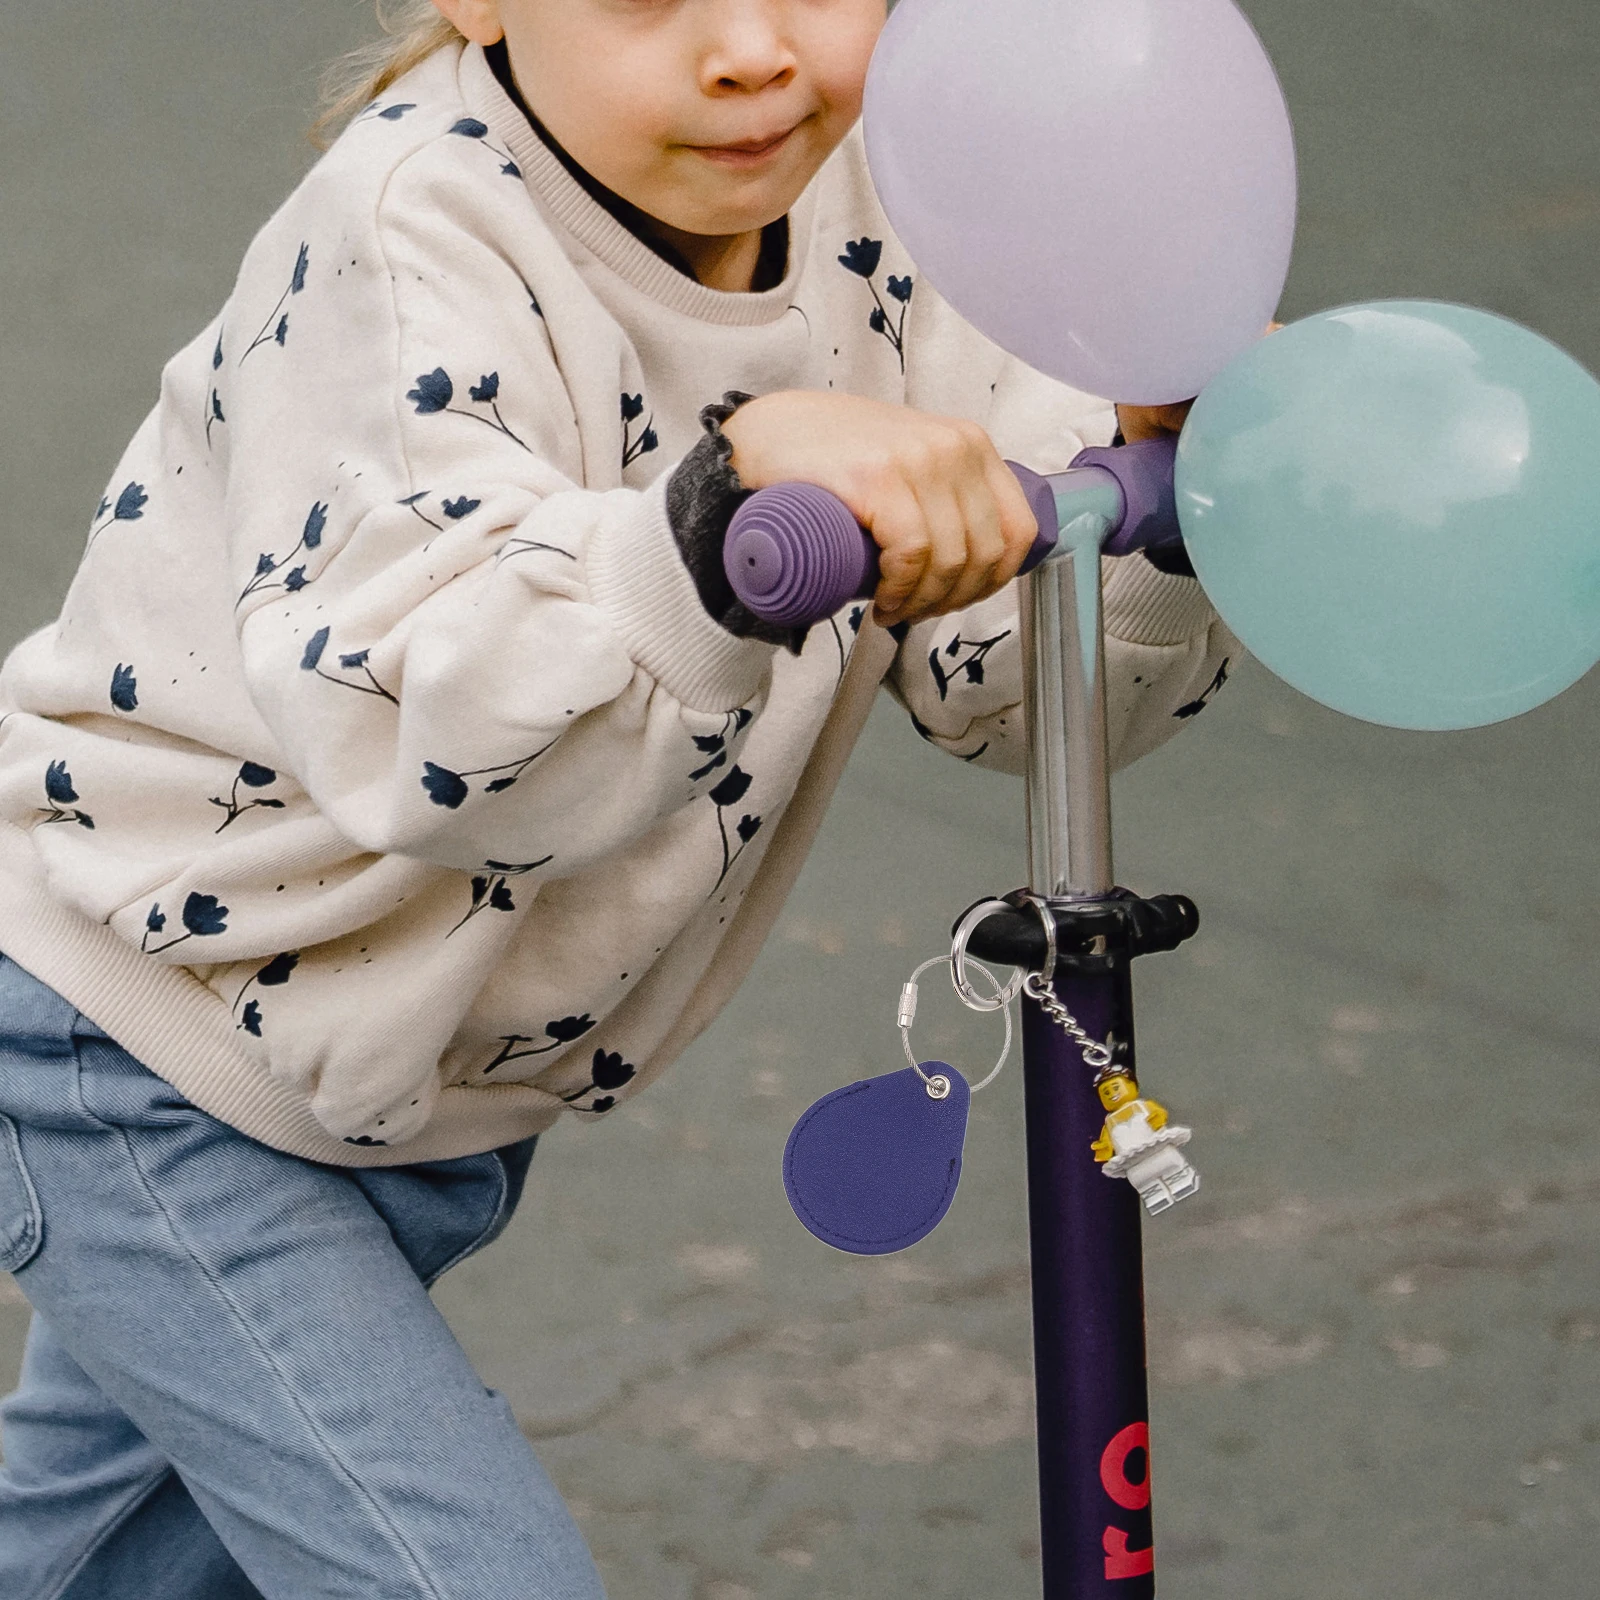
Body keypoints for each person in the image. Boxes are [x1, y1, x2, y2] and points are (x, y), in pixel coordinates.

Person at [0, 0, 1235, 1591]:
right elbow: (427, 723)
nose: (750, 49)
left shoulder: (914, 203)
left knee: (87, 1563)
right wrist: (720, 505)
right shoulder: (414, 232)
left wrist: (1150, 476)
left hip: (423, 1075)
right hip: (144, 1043)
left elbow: (1000, 684)